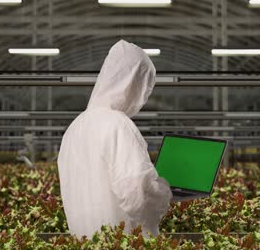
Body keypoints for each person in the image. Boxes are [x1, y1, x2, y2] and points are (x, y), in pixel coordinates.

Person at [57, 40, 173, 238]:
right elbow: (138, 193)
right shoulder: (117, 123)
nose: (144, 97)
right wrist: (165, 192)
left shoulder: (74, 128)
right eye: (144, 86)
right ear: (131, 82)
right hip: (122, 241)